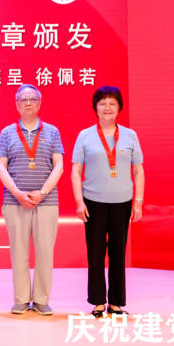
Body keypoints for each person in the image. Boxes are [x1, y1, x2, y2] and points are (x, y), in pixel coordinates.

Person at [71, 86, 145, 318]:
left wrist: (138, 202)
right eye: (102, 103)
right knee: (95, 253)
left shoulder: (130, 136)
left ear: (119, 107)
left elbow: (138, 170)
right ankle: (97, 302)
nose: (107, 108)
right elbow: (76, 171)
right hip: (93, 202)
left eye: (112, 103)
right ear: (95, 108)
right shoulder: (85, 135)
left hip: (122, 202)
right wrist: (79, 202)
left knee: (118, 253)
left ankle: (116, 302)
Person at [0, 84, 64, 316]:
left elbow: (59, 166)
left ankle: (42, 300)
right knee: (19, 253)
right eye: (23, 100)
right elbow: (1, 168)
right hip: (15, 202)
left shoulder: (52, 132)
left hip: (47, 202)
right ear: (16, 104)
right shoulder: (7, 133)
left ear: (39, 103)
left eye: (32, 99)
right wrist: (17, 193)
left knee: (45, 253)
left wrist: (42, 193)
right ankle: (21, 299)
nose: (28, 103)